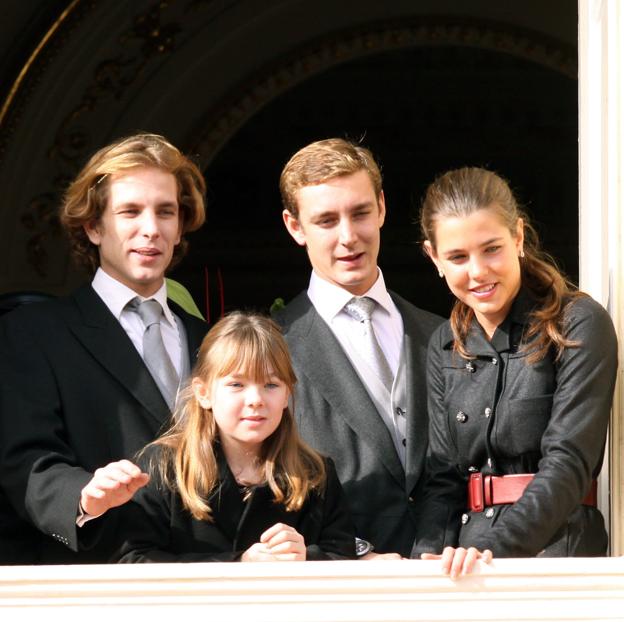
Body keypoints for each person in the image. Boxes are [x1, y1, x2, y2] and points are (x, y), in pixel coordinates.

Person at [0, 133, 208, 564]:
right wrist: (84, 495)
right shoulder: (33, 334)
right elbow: (27, 462)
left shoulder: (208, 339)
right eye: (130, 211)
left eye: (165, 211)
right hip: (100, 579)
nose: (151, 229)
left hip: (209, 575)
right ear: (93, 227)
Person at [413, 166, 617, 561]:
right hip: (466, 565)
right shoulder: (444, 344)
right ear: (433, 257)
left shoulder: (578, 323)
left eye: (492, 248)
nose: (478, 271)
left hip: (557, 553)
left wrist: (493, 551)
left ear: (519, 237)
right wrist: (426, 556)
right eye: (457, 256)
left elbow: (569, 462)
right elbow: (442, 480)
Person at [274, 138, 443, 559]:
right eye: (327, 221)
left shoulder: (442, 334)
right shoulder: (272, 345)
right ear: (295, 227)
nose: (348, 237)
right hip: (334, 586)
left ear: (382, 207)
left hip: (449, 577)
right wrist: (357, 554)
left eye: (360, 213)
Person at [116, 312, 355, 562]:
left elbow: (343, 557)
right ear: (203, 392)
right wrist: (238, 564)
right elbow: (132, 560)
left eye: (271, 385)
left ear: (287, 394)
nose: (256, 400)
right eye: (236, 385)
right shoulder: (164, 467)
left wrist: (306, 558)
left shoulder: (316, 473)